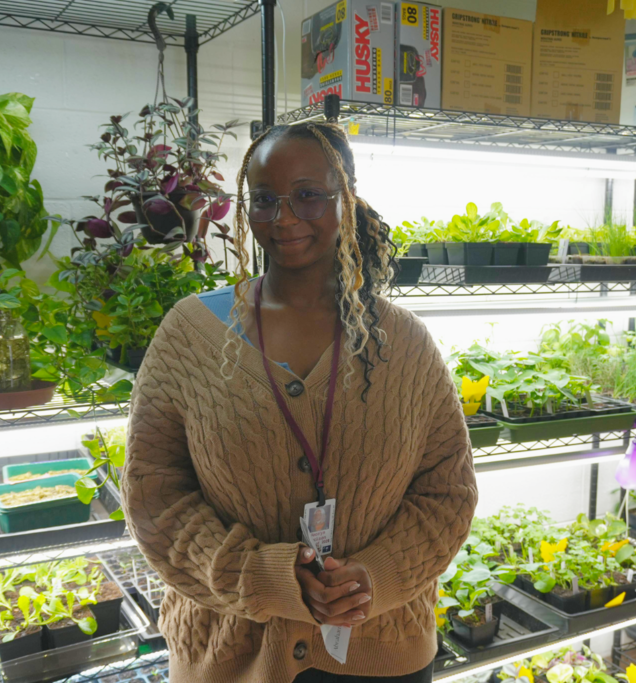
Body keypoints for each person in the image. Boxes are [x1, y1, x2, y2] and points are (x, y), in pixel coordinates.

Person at [122, 120, 477, 683]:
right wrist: (263, 578)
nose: (283, 218)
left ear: (347, 200)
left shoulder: (404, 343)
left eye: (309, 195)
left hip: (381, 656)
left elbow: (446, 492)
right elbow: (155, 495)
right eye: (264, 200)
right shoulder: (189, 335)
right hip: (232, 661)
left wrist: (375, 577)